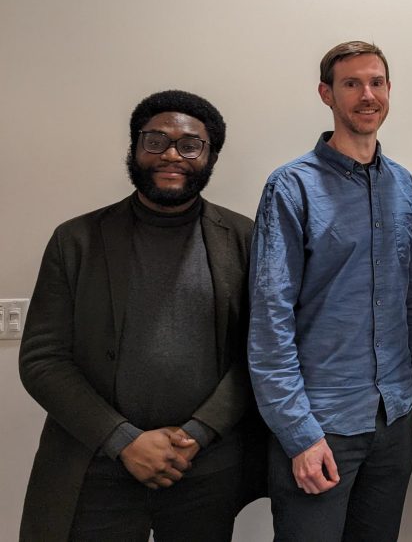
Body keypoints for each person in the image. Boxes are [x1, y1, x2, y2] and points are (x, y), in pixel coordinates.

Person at [19, 90, 264, 542]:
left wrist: (196, 433)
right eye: (156, 140)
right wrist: (123, 440)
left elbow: (259, 353)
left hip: (204, 470)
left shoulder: (245, 238)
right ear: (134, 148)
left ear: (210, 157)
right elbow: (42, 359)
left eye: (190, 144)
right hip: (95, 466)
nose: (172, 154)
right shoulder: (75, 240)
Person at [248, 40, 412, 541]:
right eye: (351, 84)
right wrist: (299, 434)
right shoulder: (290, 187)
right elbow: (270, 321)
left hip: (392, 419)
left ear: (390, 90)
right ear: (326, 94)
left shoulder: (403, 184)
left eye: (376, 82)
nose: (366, 94)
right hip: (321, 424)